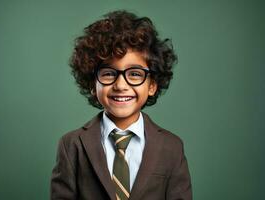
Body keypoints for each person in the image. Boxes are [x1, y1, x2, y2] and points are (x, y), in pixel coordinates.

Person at [50, 10, 192, 200]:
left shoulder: (171, 147)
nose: (121, 85)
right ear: (93, 84)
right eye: (108, 73)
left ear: (152, 85)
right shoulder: (71, 145)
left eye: (134, 74)